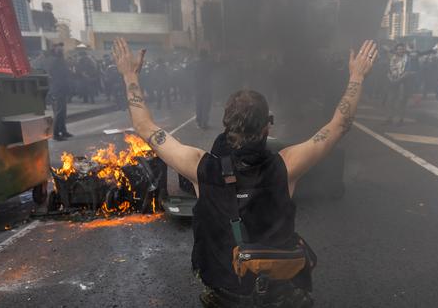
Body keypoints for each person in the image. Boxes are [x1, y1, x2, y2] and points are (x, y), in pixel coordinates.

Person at [111, 37, 377, 307]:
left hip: (225, 293)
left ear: (226, 125)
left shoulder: (201, 166)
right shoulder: (286, 165)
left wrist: (129, 75)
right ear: (267, 129)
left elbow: (144, 126)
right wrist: (357, 76)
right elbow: (340, 124)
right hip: (278, 292)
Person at [46, 43, 73, 141]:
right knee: (59, 112)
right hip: (58, 89)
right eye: (60, 49)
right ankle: (56, 134)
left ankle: (63, 131)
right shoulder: (55, 61)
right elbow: (57, 75)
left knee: (62, 111)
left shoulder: (59, 60)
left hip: (61, 88)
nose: (62, 51)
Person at [385, 43, 415, 124]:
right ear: (396, 50)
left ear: (404, 50)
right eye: (398, 49)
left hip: (403, 83)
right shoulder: (392, 58)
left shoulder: (407, 59)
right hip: (392, 82)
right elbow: (388, 70)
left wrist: (399, 79)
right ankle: (389, 118)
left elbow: (407, 72)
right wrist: (390, 78)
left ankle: (400, 119)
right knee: (390, 100)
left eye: (401, 49)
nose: (400, 51)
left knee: (401, 101)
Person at [195, 49, 214, 129]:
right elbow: (211, 75)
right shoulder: (208, 64)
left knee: (199, 105)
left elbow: (193, 76)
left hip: (198, 87)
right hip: (206, 87)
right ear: (206, 55)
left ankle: (199, 121)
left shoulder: (196, 64)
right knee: (206, 106)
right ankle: (204, 123)